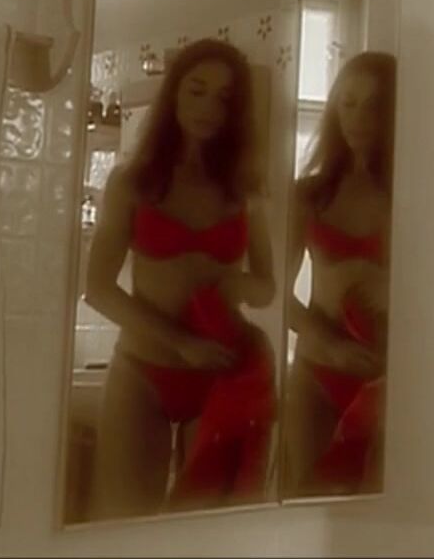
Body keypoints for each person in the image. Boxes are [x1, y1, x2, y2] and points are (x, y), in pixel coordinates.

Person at [85, 38, 277, 519]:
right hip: (143, 371)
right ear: (173, 93)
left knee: (206, 531)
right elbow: (98, 289)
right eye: (197, 90)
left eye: (224, 98)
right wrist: (180, 343)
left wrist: (240, 286)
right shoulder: (132, 182)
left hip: (220, 375)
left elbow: (267, 287)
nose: (209, 107)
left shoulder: (245, 190)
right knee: (123, 524)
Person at [283, 51, 396, 497]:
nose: (358, 118)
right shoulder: (310, 194)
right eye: (347, 103)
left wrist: (397, 289)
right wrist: (330, 345)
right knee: (307, 505)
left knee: (380, 514)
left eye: (374, 104)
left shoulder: (415, 197)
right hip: (318, 372)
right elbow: (275, 296)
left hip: (391, 377)